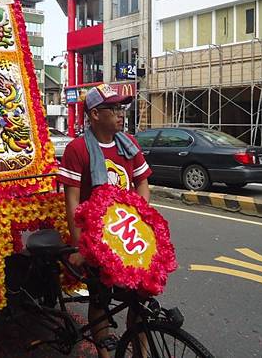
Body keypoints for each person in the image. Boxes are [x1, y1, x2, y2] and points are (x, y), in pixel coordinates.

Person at [57, 84, 152, 358]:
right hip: (97, 237)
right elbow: (72, 200)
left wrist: (141, 218)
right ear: (95, 115)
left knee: (140, 299)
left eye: (122, 108)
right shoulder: (77, 149)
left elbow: (143, 182)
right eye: (114, 109)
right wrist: (78, 246)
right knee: (100, 298)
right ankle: (105, 354)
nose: (121, 114)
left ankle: (141, 353)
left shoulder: (129, 144)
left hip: (129, 235)